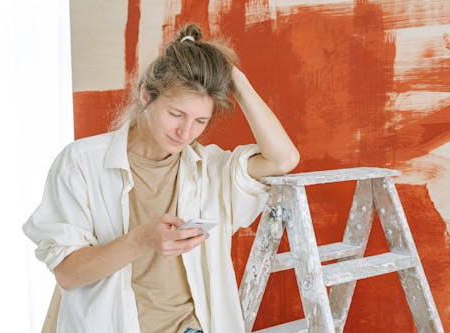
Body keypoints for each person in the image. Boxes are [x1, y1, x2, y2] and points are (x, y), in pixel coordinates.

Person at [23, 24, 299, 333]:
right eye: (176, 114)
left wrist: (236, 80)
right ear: (146, 95)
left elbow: (283, 159)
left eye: (200, 121)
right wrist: (142, 239)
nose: (185, 132)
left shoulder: (208, 168)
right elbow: (68, 274)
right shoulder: (80, 163)